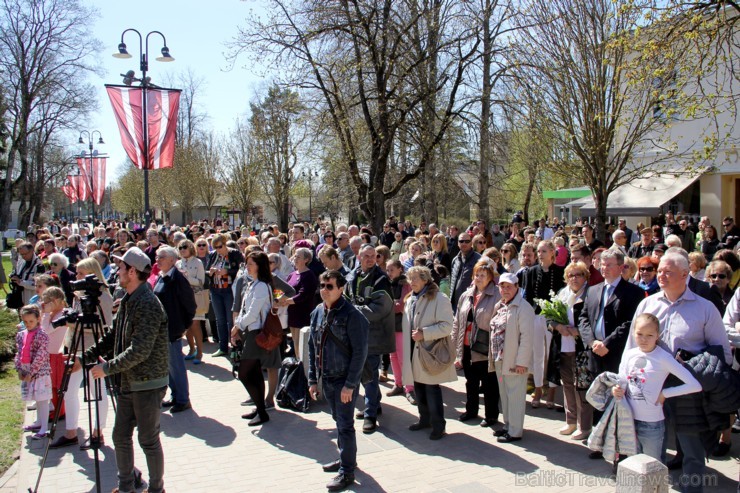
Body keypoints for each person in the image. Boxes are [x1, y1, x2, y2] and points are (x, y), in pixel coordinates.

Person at [626, 252, 731, 492]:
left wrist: (700, 373)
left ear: (685, 274)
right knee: (653, 447)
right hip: (650, 387)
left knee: (692, 451)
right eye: (659, 270)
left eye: (667, 271)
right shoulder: (647, 304)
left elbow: (722, 352)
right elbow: (632, 348)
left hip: (687, 391)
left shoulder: (705, 309)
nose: (660, 275)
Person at [86, 247, 169, 493]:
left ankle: (156, 489)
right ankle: (126, 487)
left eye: (121, 268)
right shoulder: (128, 298)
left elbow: (140, 350)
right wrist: (86, 357)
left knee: (148, 440)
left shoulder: (148, 303)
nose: (117, 272)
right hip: (128, 382)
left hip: (147, 382)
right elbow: (113, 335)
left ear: (133, 271)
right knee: (120, 436)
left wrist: (107, 368)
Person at [308, 270, 369, 492]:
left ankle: (347, 472)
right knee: (338, 421)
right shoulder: (318, 312)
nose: (324, 290)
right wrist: (313, 379)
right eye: (322, 285)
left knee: (345, 426)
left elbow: (360, 353)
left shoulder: (352, 315)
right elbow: (312, 346)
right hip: (327, 378)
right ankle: (346, 460)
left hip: (344, 380)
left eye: (329, 286)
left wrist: (350, 385)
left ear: (341, 288)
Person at [613, 313, 702, 461]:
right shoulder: (629, 354)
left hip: (651, 424)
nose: (643, 339)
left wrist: (665, 394)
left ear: (657, 336)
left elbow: (694, 385)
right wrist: (616, 389)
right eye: (639, 334)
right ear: (633, 332)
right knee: (632, 466)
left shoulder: (663, 357)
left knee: (652, 468)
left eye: (649, 335)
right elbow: (621, 379)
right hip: (628, 420)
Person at [50, 258, 113, 450]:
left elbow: (104, 326)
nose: (77, 278)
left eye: (81, 274)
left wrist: (74, 323)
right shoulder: (78, 295)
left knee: (98, 392)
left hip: (93, 350)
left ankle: (98, 432)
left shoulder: (103, 297)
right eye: (76, 273)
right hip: (74, 349)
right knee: (68, 390)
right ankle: (71, 432)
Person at [402, 266, 455, 440]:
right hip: (413, 350)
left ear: (426, 279)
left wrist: (425, 333)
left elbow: (447, 326)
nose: (412, 282)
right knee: (419, 388)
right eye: (410, 279)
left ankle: (439, 425)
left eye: (416, 278)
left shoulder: (440, 298)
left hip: (429, 351)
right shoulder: (411, 298)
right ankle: (424, 420)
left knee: (432, 389)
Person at [345, 244, 394, 434]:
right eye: (366, 256)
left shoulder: (381, 279)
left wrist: (353, 312)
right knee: (366, 374)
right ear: (358, 256)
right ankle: (374, 404)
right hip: (356, 334)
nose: (371, 259)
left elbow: (380, 308)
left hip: (374, 335)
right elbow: (347, 298)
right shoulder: (352, 276)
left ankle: (370, 415)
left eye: (373, 256)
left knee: (371, 375)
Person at [230, 251, 280, 426]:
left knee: (244, 373)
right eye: (247, 263)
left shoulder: (260, 286)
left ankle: (261, 410)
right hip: (250, 331)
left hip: (257, 332)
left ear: (260, 265)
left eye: (251, 263)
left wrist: (237, 326)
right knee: (255, 372)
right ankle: (260, 409)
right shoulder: (254, 283)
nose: (247, 266)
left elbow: (252, 313)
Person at [451, 259, 500, 427]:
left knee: (489, 383)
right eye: (476, 275)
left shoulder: (497, 295)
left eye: (483, 275)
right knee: (470, 381)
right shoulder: (466, 295)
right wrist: (454, 344)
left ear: (490, 278)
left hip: (486, 346)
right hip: (466, 345)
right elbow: (457, 321)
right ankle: (471, 410)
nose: (479, 278)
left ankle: (491, 415)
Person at [547, 262, 592, 440]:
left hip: (581, 349)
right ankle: (571, 420)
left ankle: (585, 426)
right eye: (571, 275)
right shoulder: (562, 294)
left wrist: (579, 332)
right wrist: (558, 326)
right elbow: (549, 316)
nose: (574, 278)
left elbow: (593, 320)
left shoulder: (591, 294)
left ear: (585, 276)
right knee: (567, 384)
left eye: (579, 274)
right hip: (563, 346)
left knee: (581, 386)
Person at [489, 273, 534, 443]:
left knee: (515, 396)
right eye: (502, 286)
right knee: (505, 395)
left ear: (517, 287)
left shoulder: (524, 307)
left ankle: (515, 431)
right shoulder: (501, 305)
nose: (505, 290)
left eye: (509, 286)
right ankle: (508, 426)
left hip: (515, 361)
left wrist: (522, 362)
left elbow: (527, 338)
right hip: (501, 358)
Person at [522, 240, 566, 408]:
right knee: (538, 354)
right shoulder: (531, 272)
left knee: (552, 355)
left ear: (553, 253)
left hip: (553, 319)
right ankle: (538, 389)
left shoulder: (560, 271)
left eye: (544, 251)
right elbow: (527, 297)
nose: (540, 254)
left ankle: (552, 391)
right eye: (539, 251)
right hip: (536, 317)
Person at [153, 246, 196, 414]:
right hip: (161, 329)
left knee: (176, 366)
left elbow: (190, 305)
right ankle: (175, 395)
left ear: (172, 260)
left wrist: (184, 325)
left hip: (172, 329)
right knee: (168, 366)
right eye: (157, 257)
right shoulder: (161, 277)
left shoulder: (178, 279)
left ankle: (183, 399)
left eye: (162, 257)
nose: (158, 260)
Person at [15, 304, 52, 440]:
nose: (28, 324)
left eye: (31, 321)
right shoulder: (21, 335)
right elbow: (19, 353)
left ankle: (44, 427)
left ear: (38, 319)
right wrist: (19, 368)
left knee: (42, 400)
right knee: (36, 398)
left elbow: (41, 355)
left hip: (40, 372)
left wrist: (32, 371)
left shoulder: (42, 336)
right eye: (25, 321)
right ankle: (38, 422)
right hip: (26, 371)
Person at [206, 233, 244, 357]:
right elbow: (206, 270)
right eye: (215, 247)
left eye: (220, 246)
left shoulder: (234, 254)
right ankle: (223, 347)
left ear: (225, 243)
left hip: (229, 290)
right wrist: (210, 272)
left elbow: (241, 270)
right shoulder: (213, 255)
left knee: (230, 319)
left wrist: (227, 271)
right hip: (216, 290)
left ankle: (234, 346)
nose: (218, 249)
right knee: (220, 319)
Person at [384, 260, 415, 403]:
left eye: (392, 270)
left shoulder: (405, 284)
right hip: (390, 324)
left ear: (399, 269)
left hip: (402, 325)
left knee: (403, 358)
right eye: (387, 270)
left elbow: (402, 304)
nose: (389, 273)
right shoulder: (387, 283)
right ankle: (398, 384)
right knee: (393, 356)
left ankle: (410, 388)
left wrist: (388, 305)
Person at [281, 247, 319, 360]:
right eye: (295, 256)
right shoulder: (292, 274)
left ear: (306, 259)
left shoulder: (309, 275)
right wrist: (277, 298)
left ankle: (302, 369)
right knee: (295, 342)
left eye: (298, 257)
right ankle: (298, 365)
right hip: (291, 314)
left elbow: (303, 295)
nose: (295, 259)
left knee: (300, 344)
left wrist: (286, 302)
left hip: (302, 315)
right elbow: (284, 289)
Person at [40, 287, 68, 422]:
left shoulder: (62, 315)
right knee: (51, 385)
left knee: (58, 386)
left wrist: (45, 314)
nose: (44, 305)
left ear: (56, 301)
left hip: (58, 355)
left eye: (47, 302)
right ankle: (58, 410)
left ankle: (61, 411)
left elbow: (45, 331)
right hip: (50, 354)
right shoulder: (53, 314)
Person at [177, 239, 206, 364]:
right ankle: (191, 349)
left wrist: (187, 278)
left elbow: (201, 281)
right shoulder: (178, 263)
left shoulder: (198, 262)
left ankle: (200, 352)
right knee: (186, 325)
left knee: (195, 324)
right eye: (180, 248)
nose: (183, 250)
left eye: (185, 247)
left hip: (195, 296)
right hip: (181, 297)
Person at [449, 232, 481, 312]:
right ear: (458, 243)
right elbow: (452, 282)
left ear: (471, 243)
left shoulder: (479, 259)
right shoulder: (455, 260)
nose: (464, 243)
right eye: (461, 241)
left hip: (471, 304)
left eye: (467, 241)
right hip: (455, 306)